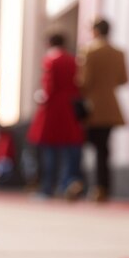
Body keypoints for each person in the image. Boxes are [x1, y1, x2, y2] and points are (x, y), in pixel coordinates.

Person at [26, 32, 84, 199]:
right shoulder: (73, 60)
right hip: (69, 108)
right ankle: (66, 183)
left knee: (49, 150)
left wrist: (41, 96)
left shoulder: (51, 60)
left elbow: (48, 87)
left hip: (52, 110)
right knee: (68, 148)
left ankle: (47, 187)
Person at [78, 18, 128, 202]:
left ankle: (81, 184)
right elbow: (123, 79)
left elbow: (84, 81)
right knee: (104, 149)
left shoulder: (89, 52)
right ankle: (103, 187)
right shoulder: (118, 53)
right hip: (111, 105)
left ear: (96, 31)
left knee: (85, 145)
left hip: (91, 106)